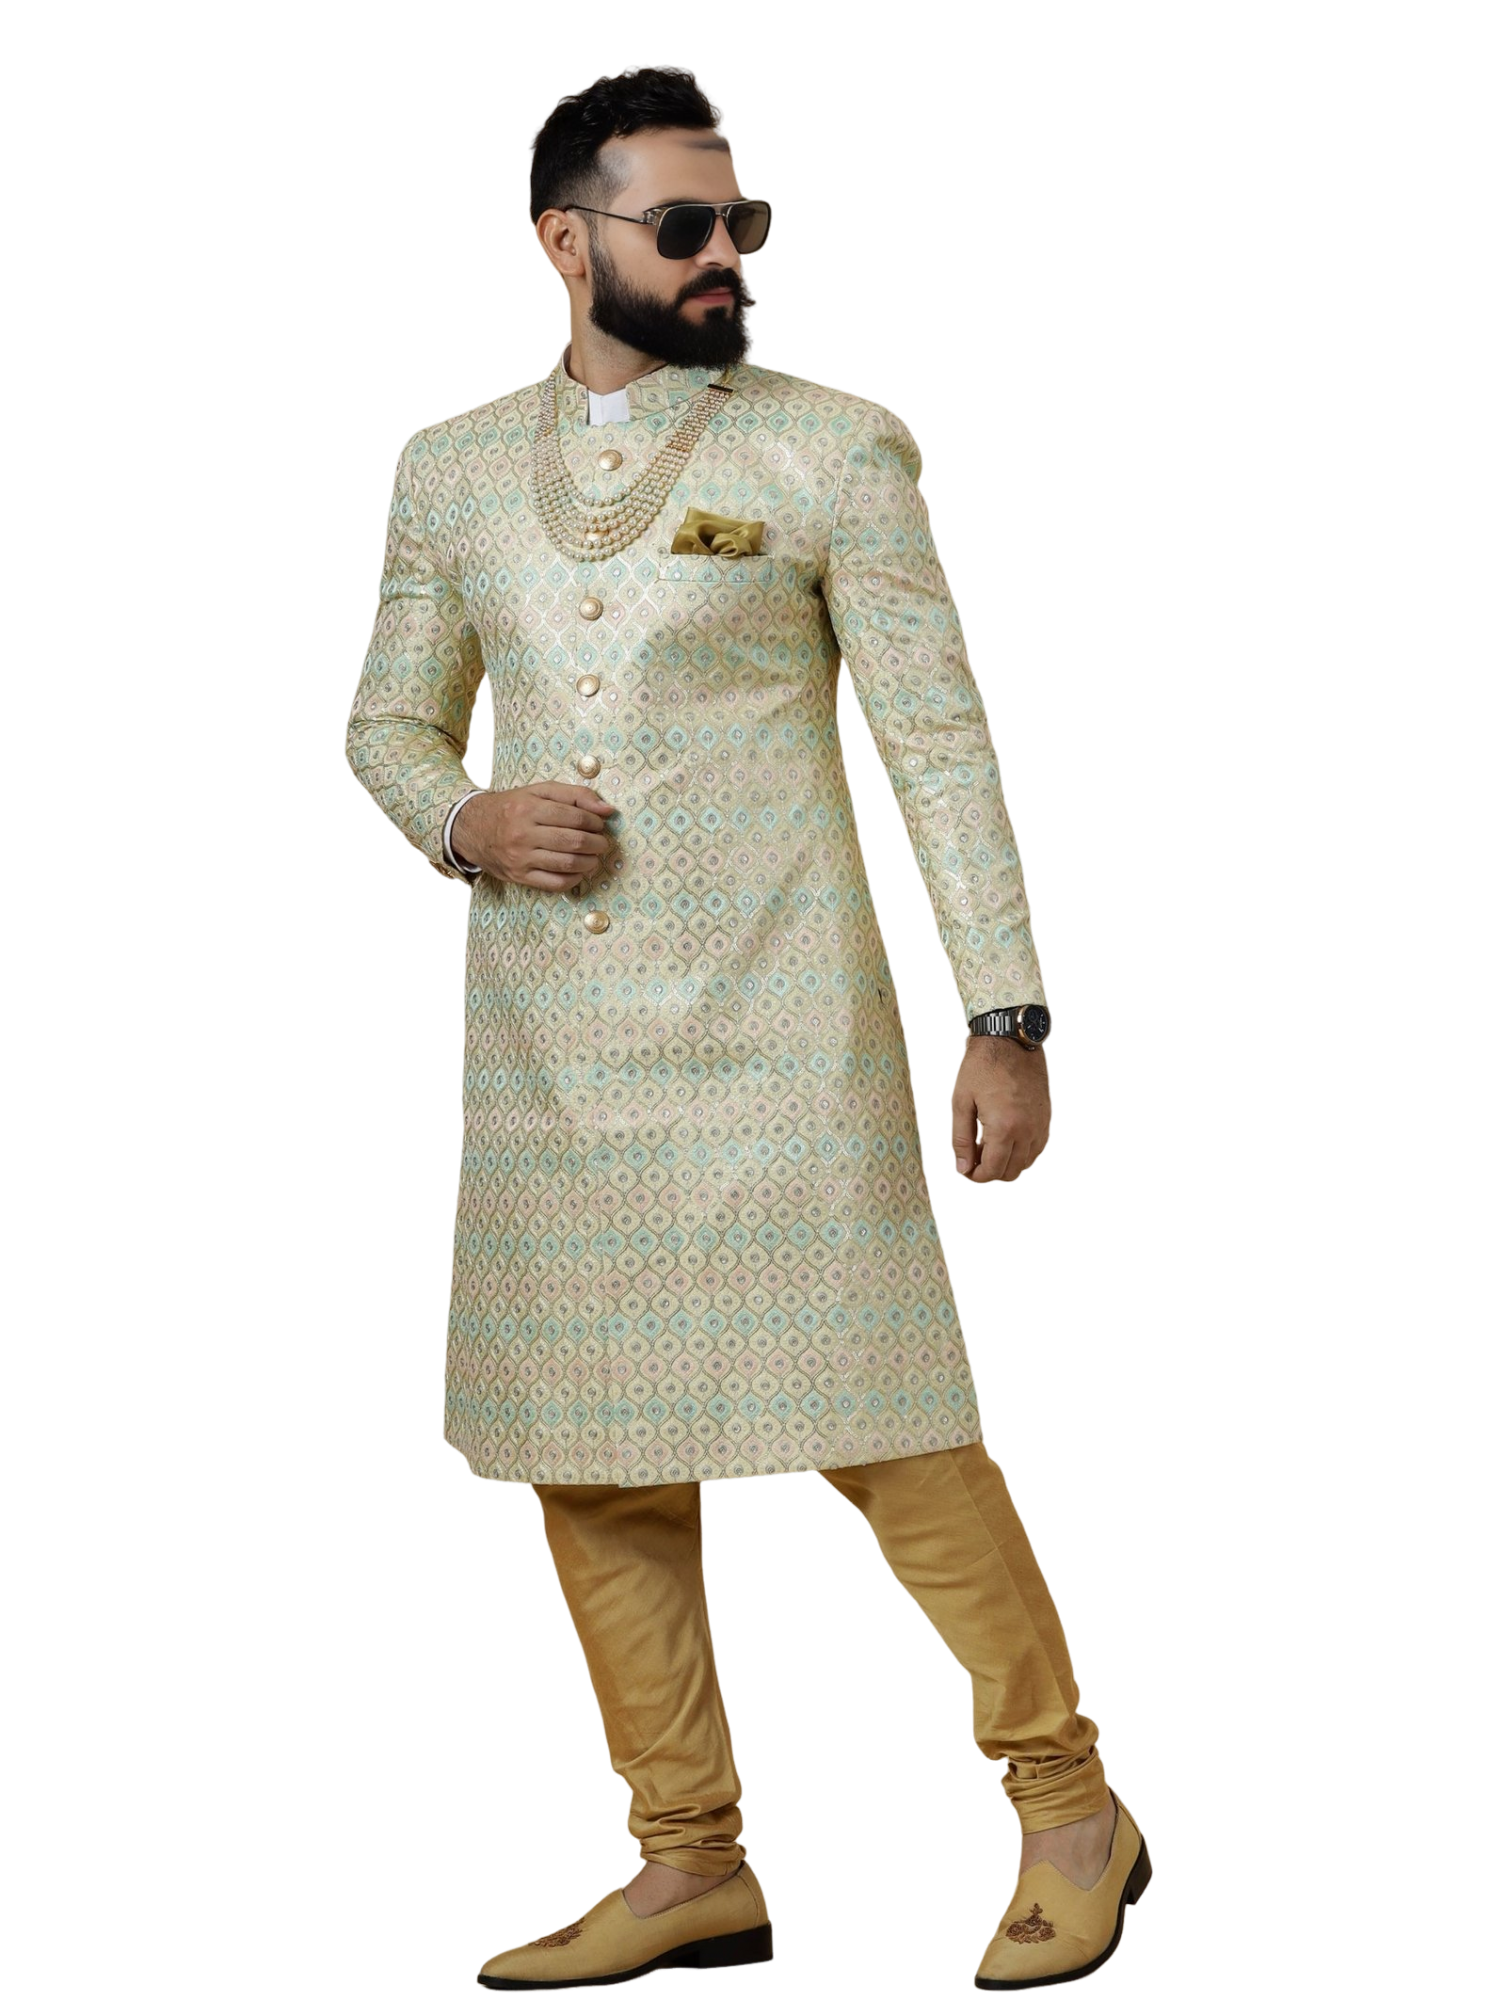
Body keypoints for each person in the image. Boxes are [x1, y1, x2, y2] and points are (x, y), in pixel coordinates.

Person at [343, 61, 1149, 1996]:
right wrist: (461, 818)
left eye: (737, 221)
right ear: (565, 241)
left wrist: (1006, 1014)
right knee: (589, 1462)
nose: (722, 253)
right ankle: (688, 1858)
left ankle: (1069, 1807)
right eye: (681, 223)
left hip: (789, 1036)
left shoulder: (832, 447)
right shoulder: (451, 466)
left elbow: (939, 750)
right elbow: (384, 718)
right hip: (552, 1054)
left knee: (892, 1428)